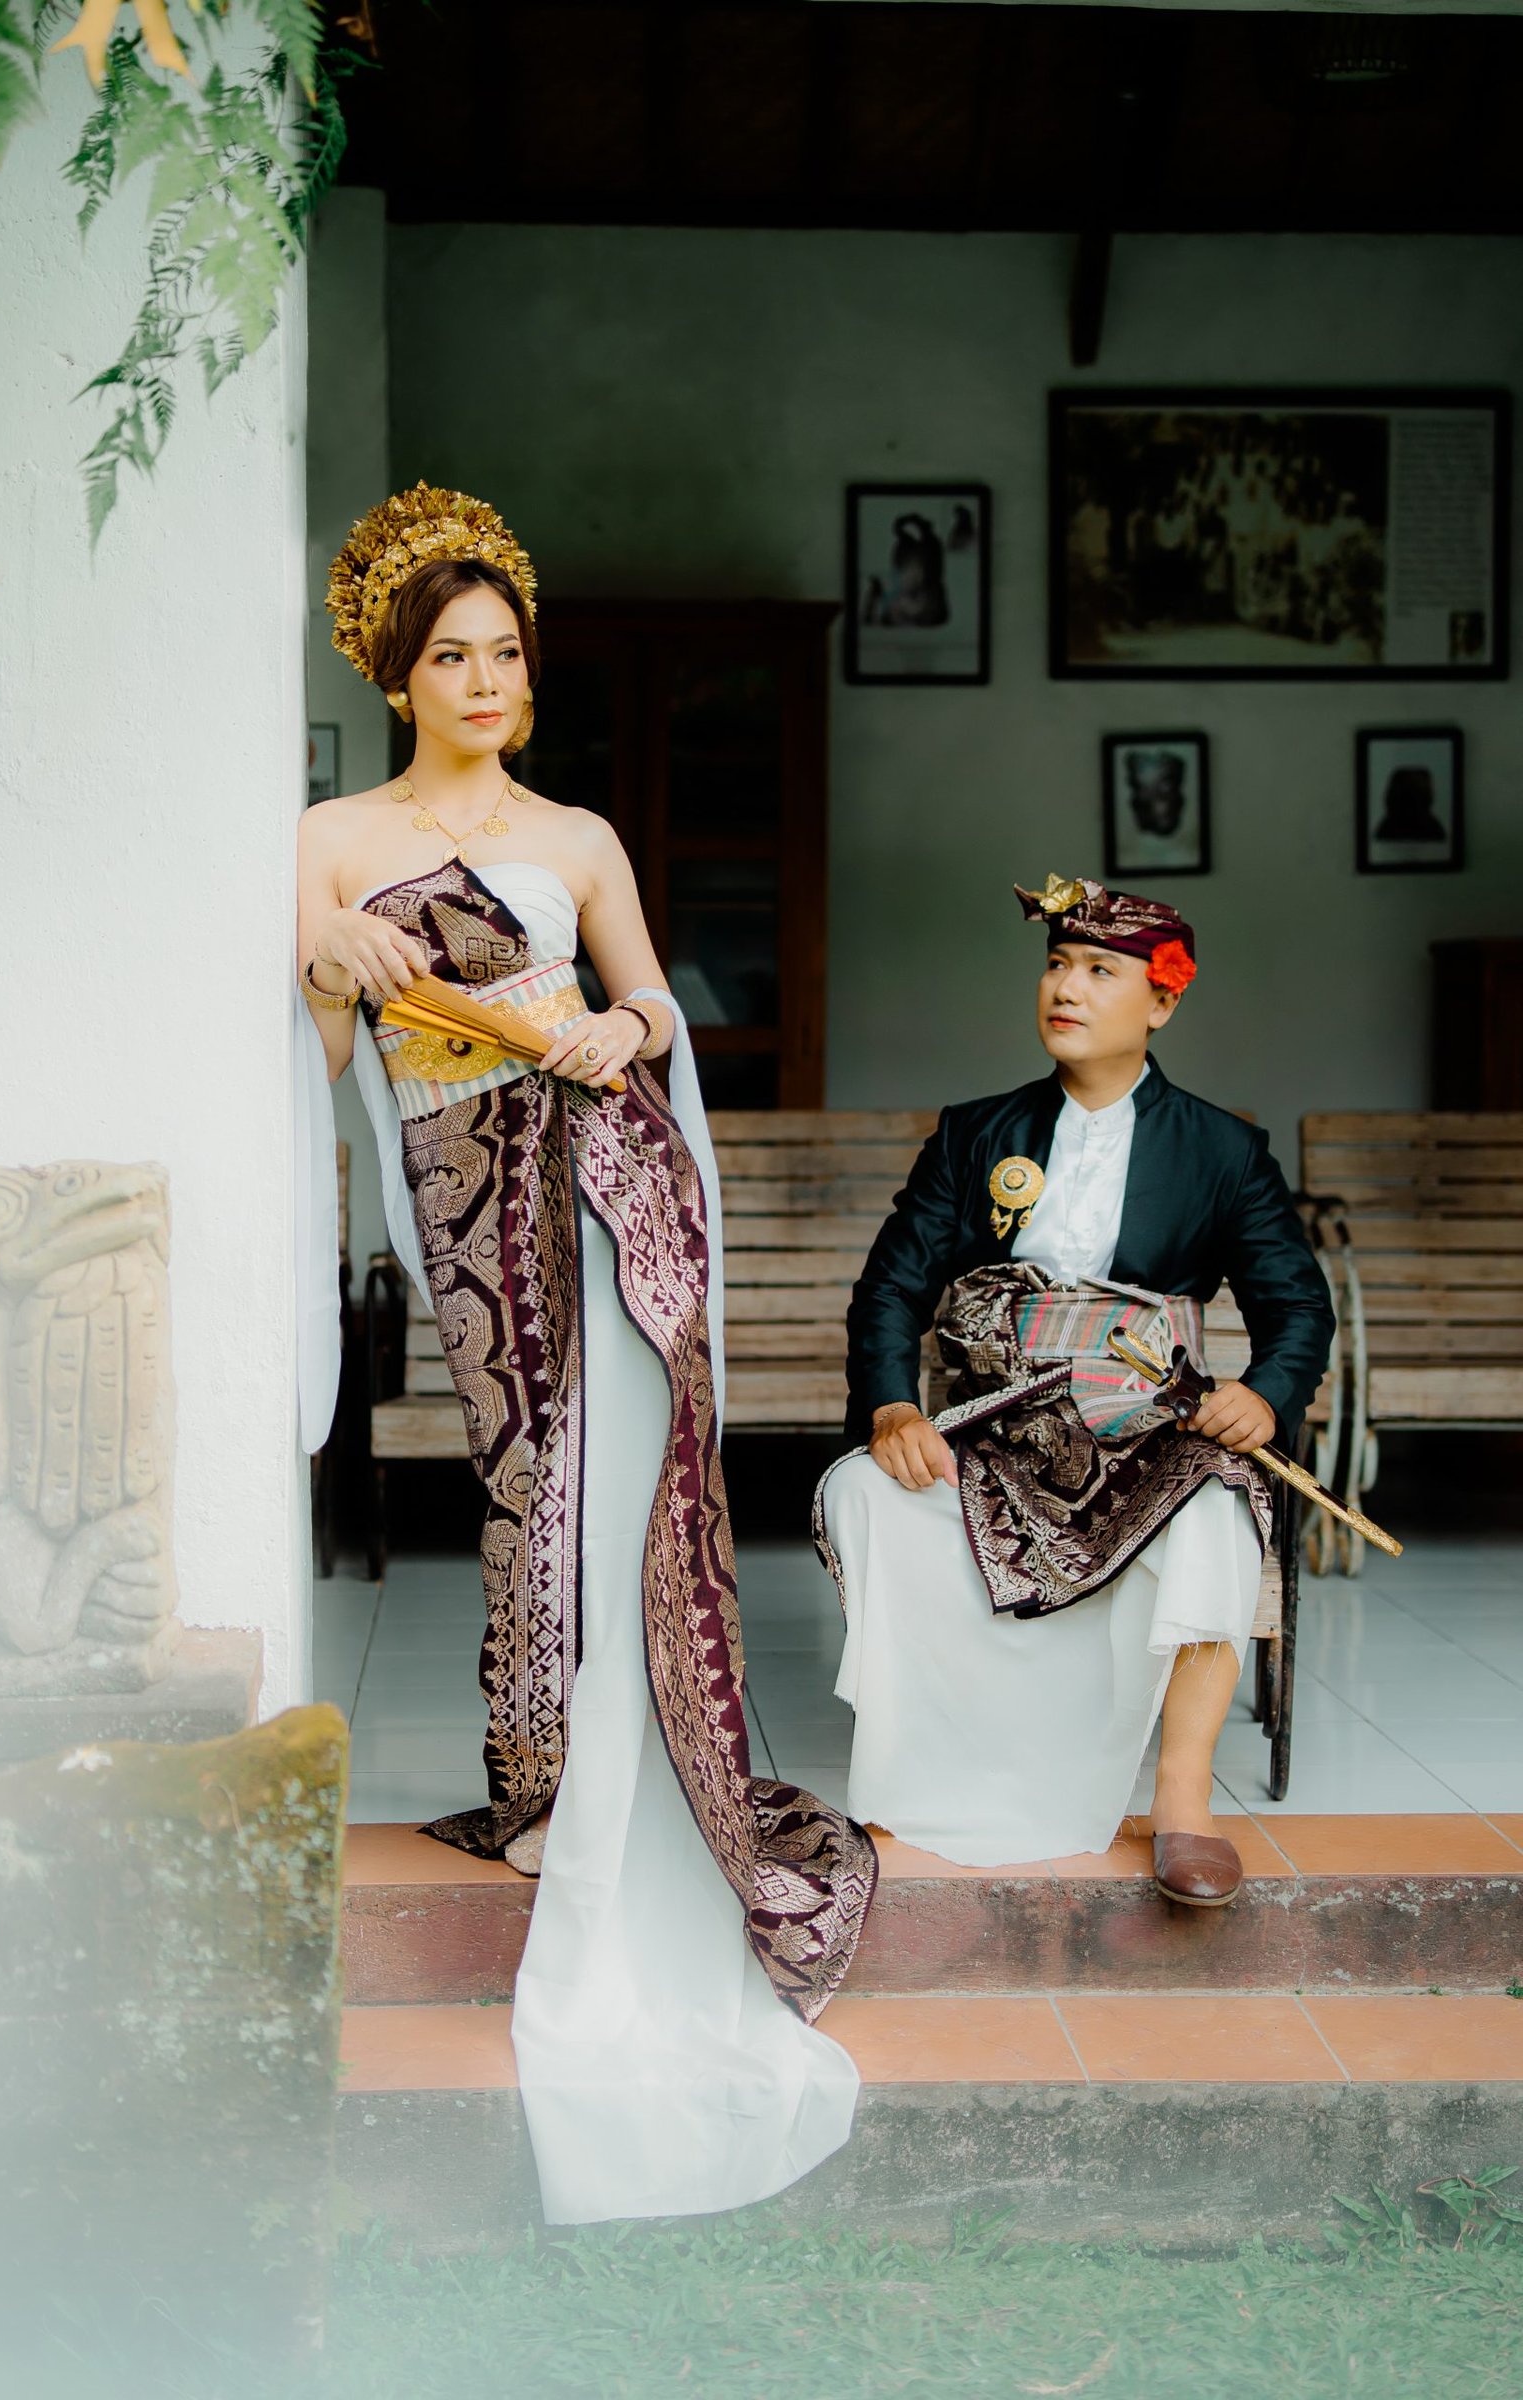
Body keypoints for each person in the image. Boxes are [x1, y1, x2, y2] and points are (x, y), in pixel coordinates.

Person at [294, 483, 876, 2221]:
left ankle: (627, 1783)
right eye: (452, 658)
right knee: (523, 1475)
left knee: (620, 1486)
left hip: (609, 1174)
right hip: (465, 1185)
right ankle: (539, 1781)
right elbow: (318, 1066)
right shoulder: (330, 839)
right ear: (397, 675)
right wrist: (326, 966)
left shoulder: (583, 838)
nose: (486, 681)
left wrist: (622, 1024)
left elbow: (654, 1006)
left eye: (506, 654)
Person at [816, 875, 1334, 1908]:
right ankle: (934, 1760)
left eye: (1101, 971)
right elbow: (892, 1289)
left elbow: (1297, 1307)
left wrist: (1267, 1395)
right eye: (1057, 965)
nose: (1066, 988)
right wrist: (892, 1405)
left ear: (1162, 1002)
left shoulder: (1222, 1151)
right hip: (997, 1427)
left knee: (1219, 1510)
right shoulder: (976, 1134)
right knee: (865, 1491)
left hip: (1145, 1428)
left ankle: (1183, 1796)